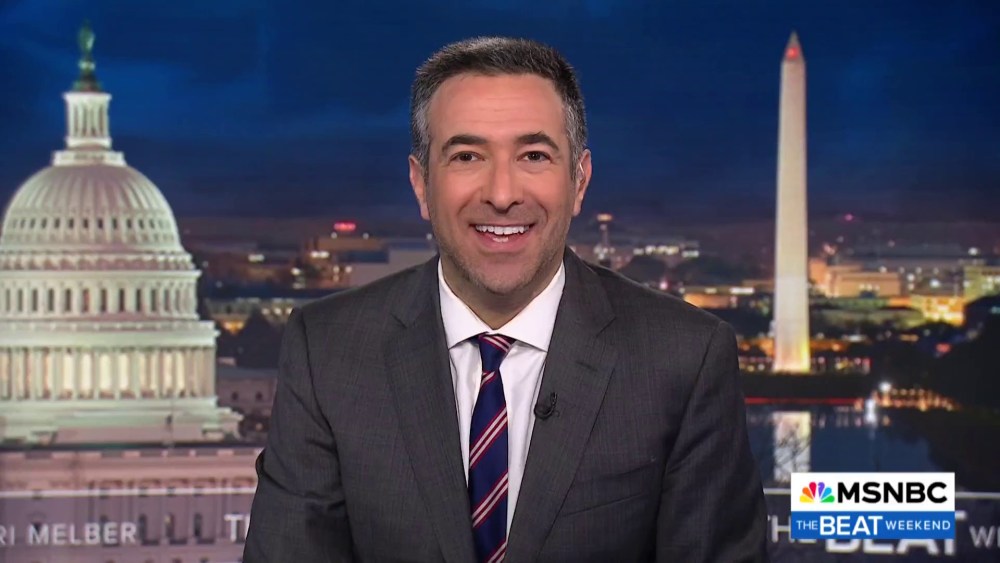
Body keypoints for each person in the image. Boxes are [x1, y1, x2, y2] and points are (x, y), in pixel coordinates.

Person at [244, 36, 768, 562]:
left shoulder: (684, 358)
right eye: (467, 156)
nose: (501, 194)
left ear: (579, 181)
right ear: (421, 185)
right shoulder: (327, 351)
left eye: (534, 155)